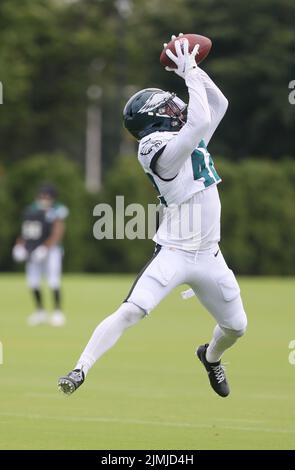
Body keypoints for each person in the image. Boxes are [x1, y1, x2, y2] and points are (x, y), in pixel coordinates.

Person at [58, 34, 247, 397]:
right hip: (175, 252)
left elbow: (217, 103)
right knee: (132, 310)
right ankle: (80, 369)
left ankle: (210, 356)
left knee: (237, 328)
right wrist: (188, 71)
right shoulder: (154, 147)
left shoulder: (182, 133)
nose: (176, 108)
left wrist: (189, 66)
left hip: (210, 255)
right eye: (168, 107)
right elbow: (197, 121)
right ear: (154, 118)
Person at [12, 183, 69, 327]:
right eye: (42, 196)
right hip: (33, 249)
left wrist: (45, 247)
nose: (44, 199)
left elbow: (58, 231)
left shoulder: (58, 209)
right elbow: (27, 230)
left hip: (51, 250)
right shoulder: (31, 210)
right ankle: (40, 312)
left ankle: (57, 312)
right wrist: (20, 246)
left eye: (47, 196)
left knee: (53, 280)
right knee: (33, 281)